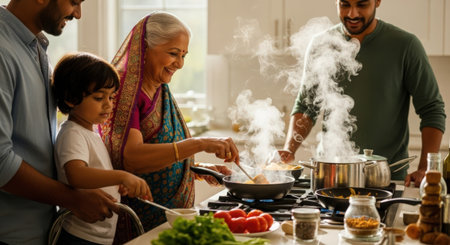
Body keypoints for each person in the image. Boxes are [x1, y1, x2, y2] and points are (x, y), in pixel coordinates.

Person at [99, 11, 240, 243]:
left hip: (165, 218)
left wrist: (199, 169)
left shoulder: (159, 87)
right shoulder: (125, 90)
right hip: (137, 218)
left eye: (184, 55)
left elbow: (161, 150)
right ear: (144, 48)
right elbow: (131, 158)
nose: (181, 64)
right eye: (174, 54)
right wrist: (200, 144)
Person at [279, 0, 445, 186]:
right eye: (344, 5)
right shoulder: (321, 45)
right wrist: (288, 150)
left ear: (377, 2)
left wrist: (425, 168)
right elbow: (306, 107)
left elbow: (432, 110)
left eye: (362, 5)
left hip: (386, 179)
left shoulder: (405, 45)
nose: (352, 13)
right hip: (330, 176)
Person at [0, 1, 119, 244]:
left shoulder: (34, 47)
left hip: (41, 228)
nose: (78, 14)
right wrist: (73, 199)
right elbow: (0, 162)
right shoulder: (3, 50)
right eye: (74, 1)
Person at [52, 52, 153, 245]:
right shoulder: (73, 133)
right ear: (71, 98)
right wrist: (121, 176)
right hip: (80, 236)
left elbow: (94, 175)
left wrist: (115, 185)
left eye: (112, 97)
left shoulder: (90, 132)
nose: (108, 105)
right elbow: (76, 175)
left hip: (97, 235)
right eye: (99, 98)